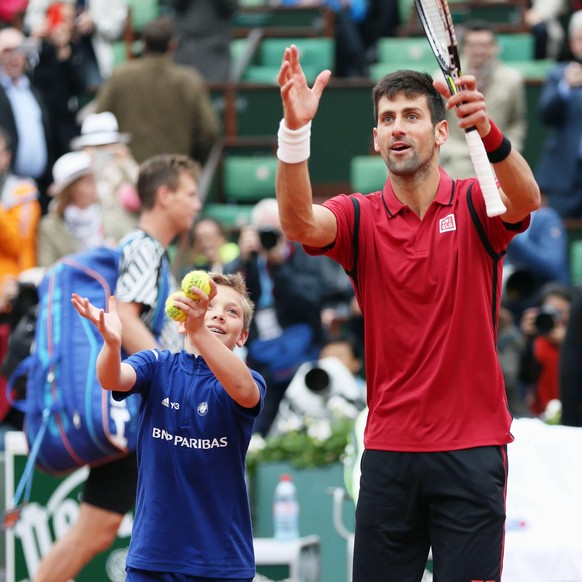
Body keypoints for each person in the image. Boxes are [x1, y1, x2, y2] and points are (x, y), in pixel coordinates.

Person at [274, 45, 540, 581]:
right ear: (375, 139)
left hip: (471, 450)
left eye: (412, 115)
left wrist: (488, 132)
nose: (398, 128)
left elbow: (525, 198)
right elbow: (301, 224)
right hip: (389, 453)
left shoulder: (473, 203)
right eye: (387, 119)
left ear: (440, 132)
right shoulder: (359, 216)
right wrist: (295, 133)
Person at [33, 153, 201, 582]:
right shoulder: (144, 249)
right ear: (164, 197)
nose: (197, 203)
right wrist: (174, 375)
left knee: (99, 530)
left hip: (135, 405)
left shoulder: (138, 247)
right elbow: (124, 320)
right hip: (140, 408)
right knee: (127, 527)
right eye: (190, 193)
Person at [70, 271, 265, 580]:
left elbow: (243, 390)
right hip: (152, 559)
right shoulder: (156, 365)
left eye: (232, 311)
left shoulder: (248, 380)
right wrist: (111, 343)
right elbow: (111, 378)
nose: (217, 315)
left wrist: (198, 328)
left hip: (221, 564)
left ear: (242, 336)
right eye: (209, 305)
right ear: (179, 321)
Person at [224, 197, 327, 437]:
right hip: (260, 354)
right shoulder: (246, 261)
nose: (269, 238)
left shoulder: (303, 254)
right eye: (264, 231)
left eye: (275, 230)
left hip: (301, 351)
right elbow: (229, 299)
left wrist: (280, 265)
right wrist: (244, 260)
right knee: (258, 421)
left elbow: (311, 300)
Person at [95, 15, 220, 165]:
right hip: (174, 174)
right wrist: (190, 162)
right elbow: (210, 131)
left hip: (131, 173)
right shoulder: (189, 80)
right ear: (172, 45)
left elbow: (98, 121)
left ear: (143, 44)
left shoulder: (120, 76)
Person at [439, 21, 527, 179]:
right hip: (455, 164)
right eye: (473, 45)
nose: (479, 51)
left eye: (485, 45)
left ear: (495, 47)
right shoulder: (442, 80)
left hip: (497, 164)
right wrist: (449, 151)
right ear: (464, 48)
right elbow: (436, 122)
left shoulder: (512, 79)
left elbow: (517, 121)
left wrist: (508, 149)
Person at [0, 27, 54, 213]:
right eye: (8, 51)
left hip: (40, 186)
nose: (15, 57)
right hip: (7, 189)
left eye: (20, 51)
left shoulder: (33, 90)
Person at [535, 10, 582, 219]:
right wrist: (564, 87)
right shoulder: (559, 75)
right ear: (572, 43)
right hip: (564, 177)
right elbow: (545, 115)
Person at [71, 111, 140, 242]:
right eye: (95, 147)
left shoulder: (126, 170)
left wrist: (127, 163)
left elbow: (147, 191)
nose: (101, 152)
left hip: (127, 242)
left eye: (105, 145)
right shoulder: (75, 175)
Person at [24, 0, 128, 82]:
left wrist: (95, 21)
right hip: (54, 52)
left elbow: (117, 28)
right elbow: (31, 20)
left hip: (93, 51)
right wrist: (48, 26)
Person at [36, 150, 108, 267]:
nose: (94, 188)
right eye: (87, 183)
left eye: (93, 181)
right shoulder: (50, 227)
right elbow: (46, 269)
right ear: (71, 189)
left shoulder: (106, 216)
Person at [518, 282, 571, 417]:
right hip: (539, 416)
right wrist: (525, 340)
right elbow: (521, 377)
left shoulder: (574, 338)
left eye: (560, 312)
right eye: (551, 310)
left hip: (571, 413)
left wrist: (569, 342)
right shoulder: (536, 340)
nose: (556, 317)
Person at [169, 0, 239, 83]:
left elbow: (232, 6)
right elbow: (174, 4)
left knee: (215, 91)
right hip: (186, 46)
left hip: (215, 48)